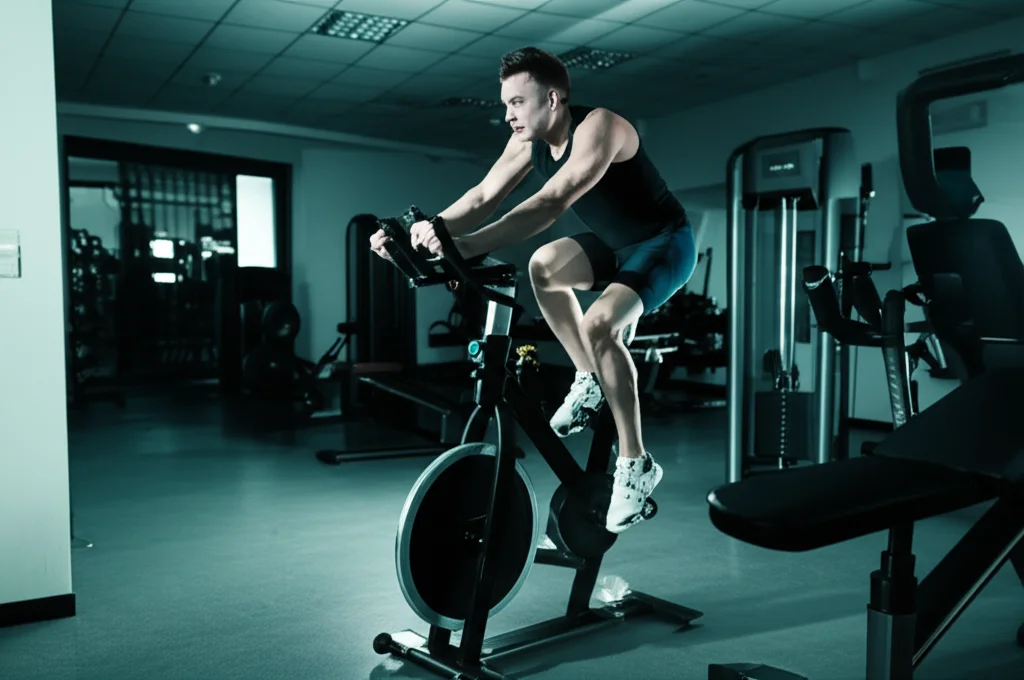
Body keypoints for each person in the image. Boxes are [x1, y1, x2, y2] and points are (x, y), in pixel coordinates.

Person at [369, 47, 696, 533]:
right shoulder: (529, 142)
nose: (508, 116)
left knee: (599, 322)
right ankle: (589, 377)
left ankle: (636, 463)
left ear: (552, 98)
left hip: (663, 243)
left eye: (517, 103)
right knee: (544, 266)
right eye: (505, 105)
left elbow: (551, 202)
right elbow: (482, 195)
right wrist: (413, 232)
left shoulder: (601, 127)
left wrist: (462, 244)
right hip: (613, 245)